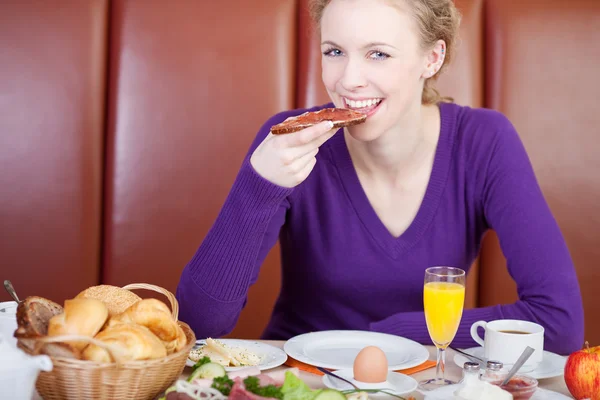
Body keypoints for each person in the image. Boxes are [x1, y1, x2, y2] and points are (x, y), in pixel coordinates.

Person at [176, 0, 584, 355]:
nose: (348, 80)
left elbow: (558, 321)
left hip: (425, 381)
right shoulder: (288, 141)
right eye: (334, 51)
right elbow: (199, 323)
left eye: (378, 54)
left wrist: (383, 339)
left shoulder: (484, 142)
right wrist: (259, 184)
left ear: (432, 58)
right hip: (302, 379)